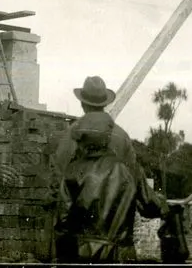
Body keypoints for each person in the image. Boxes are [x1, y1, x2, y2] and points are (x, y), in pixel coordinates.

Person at [50, 76, 166, 260]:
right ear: (104, 104)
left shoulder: (71, 136)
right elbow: (138, 188)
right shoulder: (122, 136)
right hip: (120, 247)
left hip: (81, 248)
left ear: (82, 104)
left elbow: (58, 190)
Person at [54, 111, 141, 263]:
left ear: (85, 143)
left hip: (85, 254)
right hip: (122, 255)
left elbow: (63, 221)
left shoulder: (73, 171)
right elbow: (152, 206)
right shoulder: (130, 170)